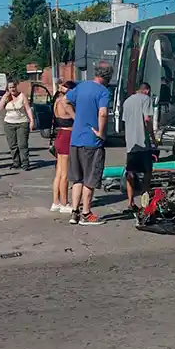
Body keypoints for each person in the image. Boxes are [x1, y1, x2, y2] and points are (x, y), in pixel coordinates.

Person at [66, 62, 113, 226]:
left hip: (76, 139)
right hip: (91, 141)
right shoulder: (103, 92)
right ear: (108, 76)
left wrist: (76, 118)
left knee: (77, 179)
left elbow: (65, 101)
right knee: (90, 179)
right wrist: (101, 132)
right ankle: (86, 213)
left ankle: (74, 212)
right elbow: (103, 113)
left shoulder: (81, 87)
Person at [122, 82, 159, 212]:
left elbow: (125, 122)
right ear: (147, 91)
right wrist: (153, 137)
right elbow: (147, 119)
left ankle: (130, 202)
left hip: (131, 144)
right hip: (143, 143)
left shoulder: (126, 102)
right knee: (147, 172)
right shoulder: (146, 99)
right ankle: (144, 199)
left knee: (130, 172)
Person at [51, 81, 76, 212]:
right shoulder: (65, 103)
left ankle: (56, 201)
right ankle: (65, 203)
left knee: (59, 172)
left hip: (60, 134)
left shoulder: (57, 101)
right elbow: (77, 119)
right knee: (65, 174)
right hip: (67, 134)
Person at [0, 81, 35, 171]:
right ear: (7, 89)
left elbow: (28, 109)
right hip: (9, 123)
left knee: (22, 144)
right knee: (12, 145)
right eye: (10, 88)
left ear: (16, 87)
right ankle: (16, 162)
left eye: (13, 87)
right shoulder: (6, 97)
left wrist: (32, 121)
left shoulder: (22, 96)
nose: (12, 89)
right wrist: (4, 97)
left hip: (22, 122)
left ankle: (25, 163)